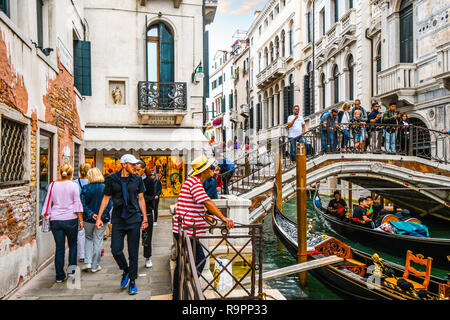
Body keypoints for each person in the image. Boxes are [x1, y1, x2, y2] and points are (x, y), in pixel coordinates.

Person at [172, 155, 235, 300]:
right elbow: (208, 203)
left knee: (184, 262)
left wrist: (205, 216)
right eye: (209, 167)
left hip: (185, 230)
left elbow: (193, 205)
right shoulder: (195, 183)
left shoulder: (193, 182)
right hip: (188, 231)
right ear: (204, 170)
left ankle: (180, 292)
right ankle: (186, 289)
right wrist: (224, 218)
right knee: (199, 260)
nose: (212, 169)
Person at [95, 154, 149, 295]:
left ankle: (132, 281)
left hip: (134, 218)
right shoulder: (112, 179)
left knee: (133, 252)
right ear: (124, 164)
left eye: (135, 165)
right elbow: (106, 198)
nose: (135, 167)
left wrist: (145, 218)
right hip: (118, 219)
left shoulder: (137, 179)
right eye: (132, 165)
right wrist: (99, 217)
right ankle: (125, 269)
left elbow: (141, 199)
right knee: (116, 250)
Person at [41, 162, 84, 283]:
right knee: (73, 245)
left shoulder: (53, 185)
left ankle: (59, 276)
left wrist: (47, 214)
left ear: (60, 173)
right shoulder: (73, 185)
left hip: (56, 219)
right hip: (71, 218)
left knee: (59, 248)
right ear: (70, 174)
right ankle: (71, 272)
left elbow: (48, 202)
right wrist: (81, 220)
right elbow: (77, 203)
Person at [80, 168, 112, 272]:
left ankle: (88, 262)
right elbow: (109, 204)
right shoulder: (105, 188)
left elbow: (82, 204)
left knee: (88, 238)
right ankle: (95, 265)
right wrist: (100, 216)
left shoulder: (85, 188)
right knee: (98, 240)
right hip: (102, 219)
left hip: (88, 219)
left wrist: (91, 214)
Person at [136, 161, 154, 269]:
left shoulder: (150, 181)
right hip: (134, 213)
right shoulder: (132, 180)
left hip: (147, 212)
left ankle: (148, 257)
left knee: (147, 236)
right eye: (135, 170)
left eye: (138, 170)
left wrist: (140, 198)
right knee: (133, 237)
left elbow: (151, 196)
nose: (136, 172)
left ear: (143, 169)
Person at [75, 163, 90, 263]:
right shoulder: (91, 182)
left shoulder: (75, 182)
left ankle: (82, 255)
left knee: (80, 232)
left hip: (78, 208)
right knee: (90, 233)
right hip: (89, 208)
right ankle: (89, 253)